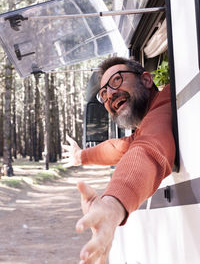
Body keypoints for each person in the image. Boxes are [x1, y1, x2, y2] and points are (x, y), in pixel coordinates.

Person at [63, 56, 176, 264]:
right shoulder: (148, 121)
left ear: (146, 80)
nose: (110, 94)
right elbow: (122, 146)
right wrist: (81, 156)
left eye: (116, 80)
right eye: (103, 93)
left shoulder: (166, 105)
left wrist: (112, 205)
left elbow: (147, 149)